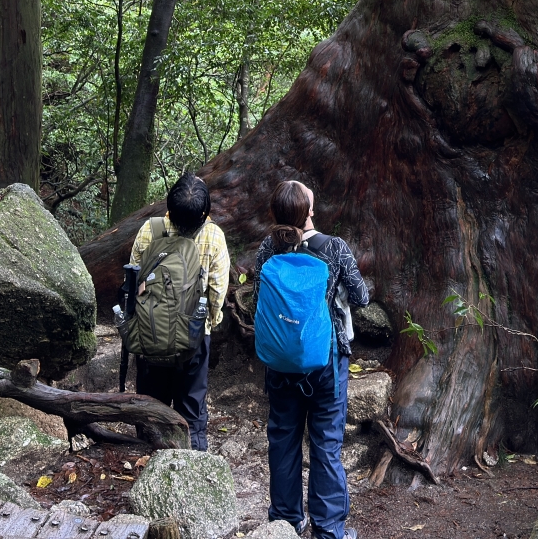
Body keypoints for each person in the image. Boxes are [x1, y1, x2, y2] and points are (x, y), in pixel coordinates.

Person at [255, 178, 368, 539]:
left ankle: (286, 522)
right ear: (309, 212)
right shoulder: (334, 248)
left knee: (284, 439)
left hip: (280, 361)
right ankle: (329, 529)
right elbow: (361, 296)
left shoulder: (266, 251)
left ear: (274, 213)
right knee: (326, 443)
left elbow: (260, 294)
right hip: (327, 362)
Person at [128, 173, 229, 452]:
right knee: (191, 411)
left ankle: (148, 460)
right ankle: (193, 465)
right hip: (194, 337)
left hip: (151, 333)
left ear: (169, 208)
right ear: (205, 212)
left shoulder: (150, 229)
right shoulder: (213, 236)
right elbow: (217, 292)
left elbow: (133, 282)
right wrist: (210, 322)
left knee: (150, 406)